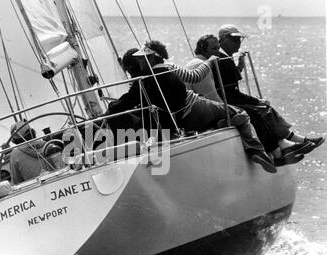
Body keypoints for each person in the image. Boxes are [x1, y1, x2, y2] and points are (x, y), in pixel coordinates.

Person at [109, 45, 278, 173]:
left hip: (180, 121)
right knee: (240, 112)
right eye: (138, 60)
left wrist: (109, 111)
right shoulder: (168, 69)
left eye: (141, 59)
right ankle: (256, 150)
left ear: (151, 59)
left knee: (218, 116)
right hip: (194, 108)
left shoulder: (142, 84)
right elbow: (195, 76)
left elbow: (128, 102)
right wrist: (210, 62)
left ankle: (222, 125)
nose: (139, 62)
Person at [214, 24, 324, 163]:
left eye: (239, 40)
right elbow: (230, 92)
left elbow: (227, 83)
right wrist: (255, 101)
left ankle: (288, 142)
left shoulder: (224, 59)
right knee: (258, 110)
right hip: (226, 101)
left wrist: (239, 67)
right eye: (234, 40)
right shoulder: (222, 60)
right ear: (223, 40)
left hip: (227, 99)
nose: (238, 43)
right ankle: (279, 149)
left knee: (262, 108)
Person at [9, 120, 55, 185]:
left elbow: (16, 183)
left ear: (15, 141)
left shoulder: (15, 154)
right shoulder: (49, 145)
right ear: (33, 133)